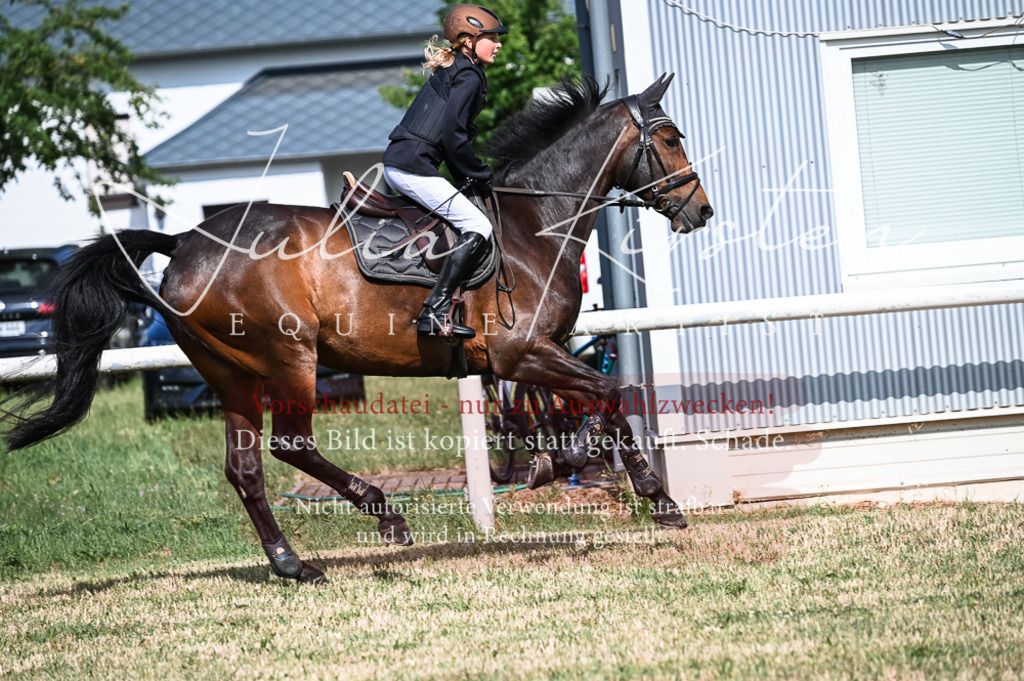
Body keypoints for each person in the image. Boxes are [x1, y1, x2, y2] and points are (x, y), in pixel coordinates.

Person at [382, 4, 507, 340]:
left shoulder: (458, 67)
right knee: (478, 224)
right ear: (468, 40)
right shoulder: (468, 75)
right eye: (492, 38)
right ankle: (435, 310)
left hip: (407, 163)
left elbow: (451, 139)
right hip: (412, 167)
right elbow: (454, 138)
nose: (498, 44)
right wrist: (481, 175)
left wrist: (467, 178)